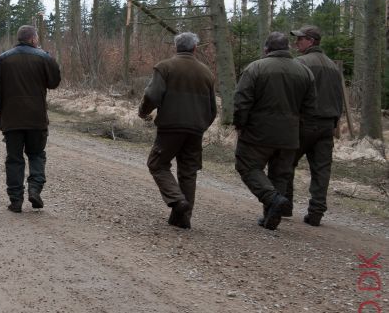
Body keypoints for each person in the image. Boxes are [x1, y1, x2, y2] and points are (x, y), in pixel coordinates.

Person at [233, 31, 317, 230]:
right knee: (280, 175)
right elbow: (311, 107)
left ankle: (272, 199)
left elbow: (241, 101)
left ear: (266, 49)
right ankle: (272, 218)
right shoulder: (305, 72)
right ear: (287, 48)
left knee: (247, 166)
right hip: (290, 134)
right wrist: (299, 130)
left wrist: (240, 124)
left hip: (257, 133)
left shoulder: (255, 68)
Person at [137, 32, 217, 229]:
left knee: (157, 164)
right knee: (188, 172)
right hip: (196, 130)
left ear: (175, 47)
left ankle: (176, 200)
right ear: (195, 48)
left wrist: (143, 112)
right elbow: (213, 109)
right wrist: (201, 125)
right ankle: (183, 218)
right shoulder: (206, 72)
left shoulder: (165, 67)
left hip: (170, 128)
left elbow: (152, 95)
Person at [0, 25, 61, 212]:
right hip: (36, 118)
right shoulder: (44, 57)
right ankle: (35, 189)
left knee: (14, 159)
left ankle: (16, 200)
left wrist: (3, 110)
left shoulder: (1, 59)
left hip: (12, 120)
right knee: (36, 155)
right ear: (33, 39)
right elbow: (54, 82)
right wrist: (48, 57)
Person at [287, 26, 344, 226]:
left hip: (304, 123)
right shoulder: (332, 66)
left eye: (300, 39)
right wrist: (335, 121)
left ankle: (284, 206)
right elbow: (340, 97)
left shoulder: (300, 63)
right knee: (321, 170)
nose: (296, 43)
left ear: (311, 41)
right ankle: (316, 212)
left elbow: (292, 95)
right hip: (327, 125)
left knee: (285, 163)